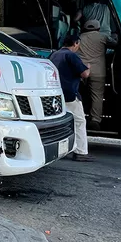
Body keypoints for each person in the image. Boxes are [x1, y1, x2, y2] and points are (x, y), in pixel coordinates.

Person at [49, 34, 92, 162]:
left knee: (60, 122)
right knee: (79, 122)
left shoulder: (54, 54)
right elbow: (84, 74)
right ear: (75, 43)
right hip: (70, 94)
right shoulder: (71, 55)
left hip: (55, 94)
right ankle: (80, 152)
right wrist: (89, 68)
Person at [77, 19, 117, 131]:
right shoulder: (103, 37)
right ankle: (95, 120)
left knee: (79, 94)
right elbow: (116, 44)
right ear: (98, 28)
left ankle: (79, 116)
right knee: (97, 96)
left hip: (81, 70)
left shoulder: (80, 37)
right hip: (98, 71)